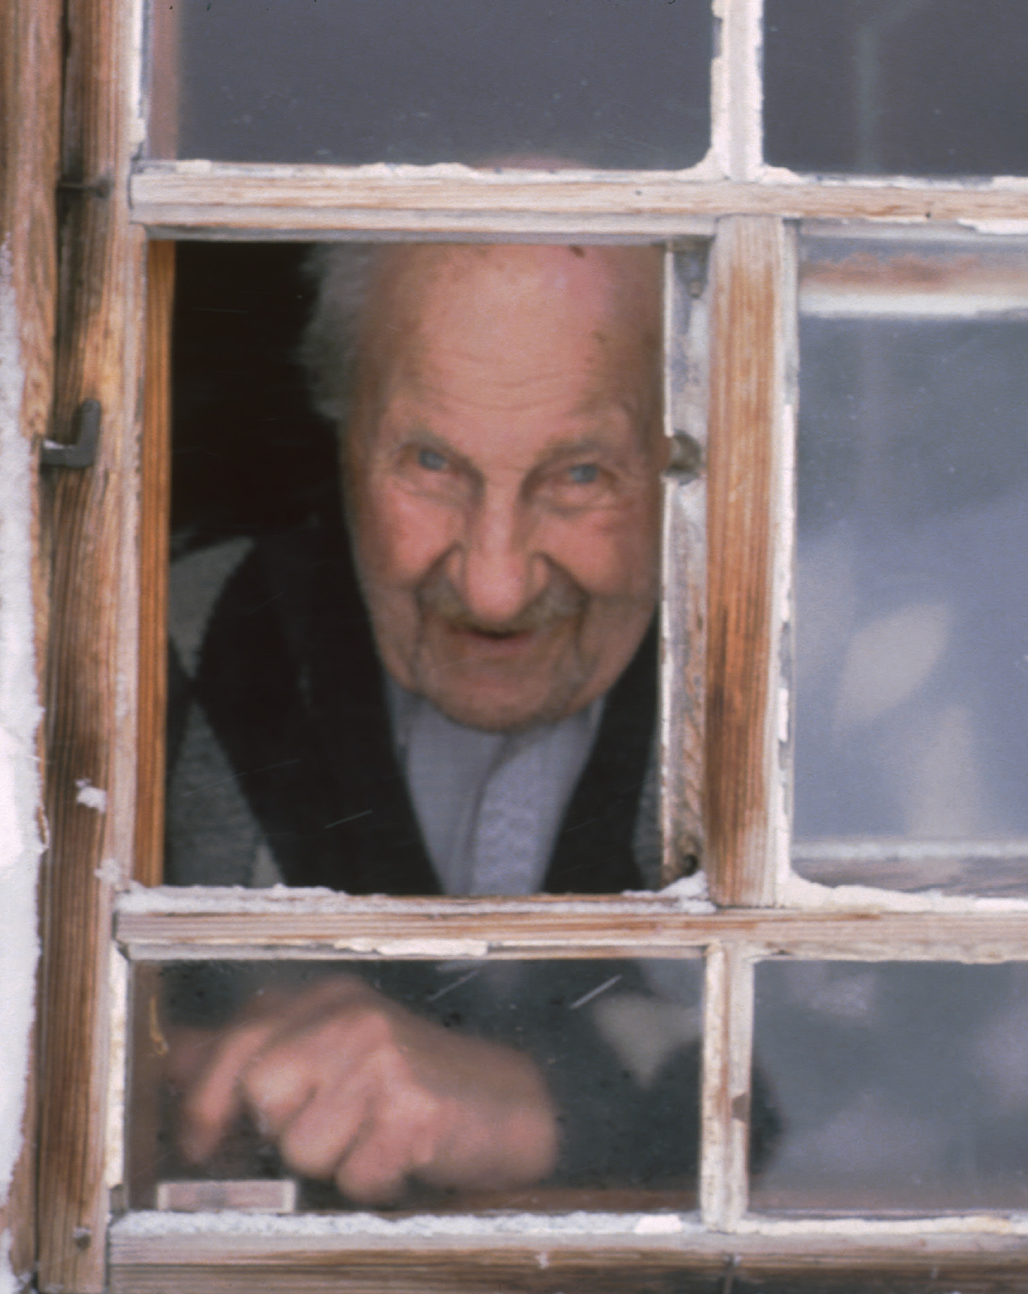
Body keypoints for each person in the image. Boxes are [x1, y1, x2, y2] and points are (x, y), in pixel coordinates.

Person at [160, 243, 690, 1206]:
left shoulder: (817, 688)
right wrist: (169, 1077)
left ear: (692, 460)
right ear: (340, 430)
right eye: (432, 463)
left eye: (581, 474)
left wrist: (552, 1104)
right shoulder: (167, 650)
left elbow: (932, 1075)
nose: (494, 587)